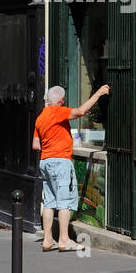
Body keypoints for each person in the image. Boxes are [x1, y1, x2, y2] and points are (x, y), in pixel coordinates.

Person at [33, 83, 109, 252]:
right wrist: (98, 94)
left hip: (45, 161)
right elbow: (81, 111)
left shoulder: (41, 117)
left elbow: (36, 145)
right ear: (61, 100)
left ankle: (47, 239)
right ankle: (64, 239)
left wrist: (51, 144)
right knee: (65, 202)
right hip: (61, 161)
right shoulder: (57, 112)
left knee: (49, 202)